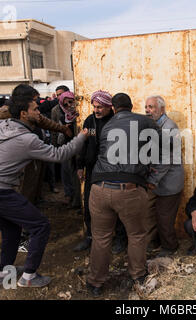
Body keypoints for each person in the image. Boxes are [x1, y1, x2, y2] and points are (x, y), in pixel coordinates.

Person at [0, 81, 88, 288]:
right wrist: (82, 137)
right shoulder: (27, 140)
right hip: (0, 192)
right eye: (35, 109)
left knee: (11, 231)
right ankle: (29, 276)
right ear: (24, 114)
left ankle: (3, 274)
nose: (39, 111)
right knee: (40, 226)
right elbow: (59, 154)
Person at [86, 93, 166, 297]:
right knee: (137, 235)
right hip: (129, 190)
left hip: (99, 189)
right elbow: (160, 153)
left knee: (101, 237)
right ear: (132, 106)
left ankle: (95, 283)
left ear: (113, 107)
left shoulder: (107, 125)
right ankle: (138, 276)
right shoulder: (146, 122)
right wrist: (151, 181)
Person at [74, 90, 127, 253]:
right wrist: (79, 165)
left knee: (116, 206)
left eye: (100, 107)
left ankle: (119, 239)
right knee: (90, 205)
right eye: (94, 106)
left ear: (109, 107)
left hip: (112, 171)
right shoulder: (90, 121)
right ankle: (90, 236)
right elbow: (83, 144)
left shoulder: (116, 121)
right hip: (92, 171)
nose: (96, 110)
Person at [144, 95, 184, 257]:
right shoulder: (154, 126)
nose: (147, 110)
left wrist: (152, 180)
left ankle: (170, 247)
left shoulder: (168, 127)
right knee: (153, 214)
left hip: (169, 181)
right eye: (146, 107)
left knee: (164, 217)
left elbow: (165, 159)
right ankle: (156, 242)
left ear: (162, 109)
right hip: (159, 181)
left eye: (151, 107)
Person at [51, 90, 82, 209]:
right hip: (65, 145)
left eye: (71, 102)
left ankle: (78, 199)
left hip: (78, 145)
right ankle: (69, 195)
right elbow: (54, 129)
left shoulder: (80, 112)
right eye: (66, 104)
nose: (69, 106)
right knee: (66, 171)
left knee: (76, 172)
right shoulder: (56, 111)